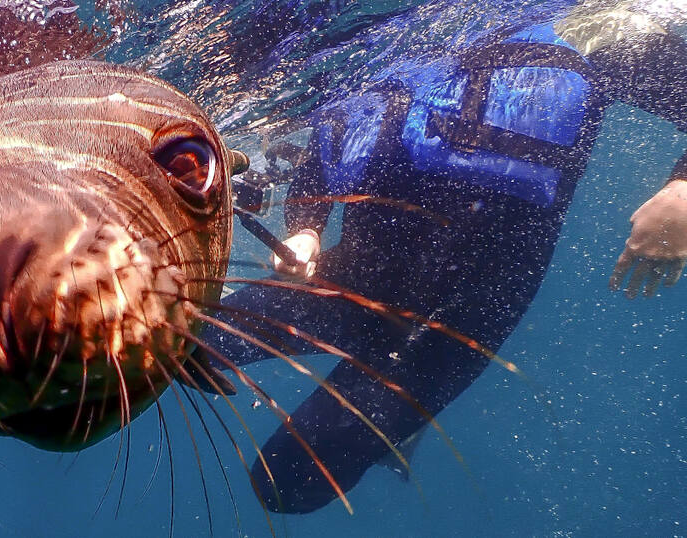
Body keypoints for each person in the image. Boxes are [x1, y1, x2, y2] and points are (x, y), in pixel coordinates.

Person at [200, 0, 687, 514]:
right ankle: (393, 413)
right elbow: (333, 140)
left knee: (287, 484)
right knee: (182, 347)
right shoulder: (380, 35)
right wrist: (306, 231)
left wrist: (682, 190)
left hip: (457, 317)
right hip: (350, 278)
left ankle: (400, 421)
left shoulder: (591, 25)